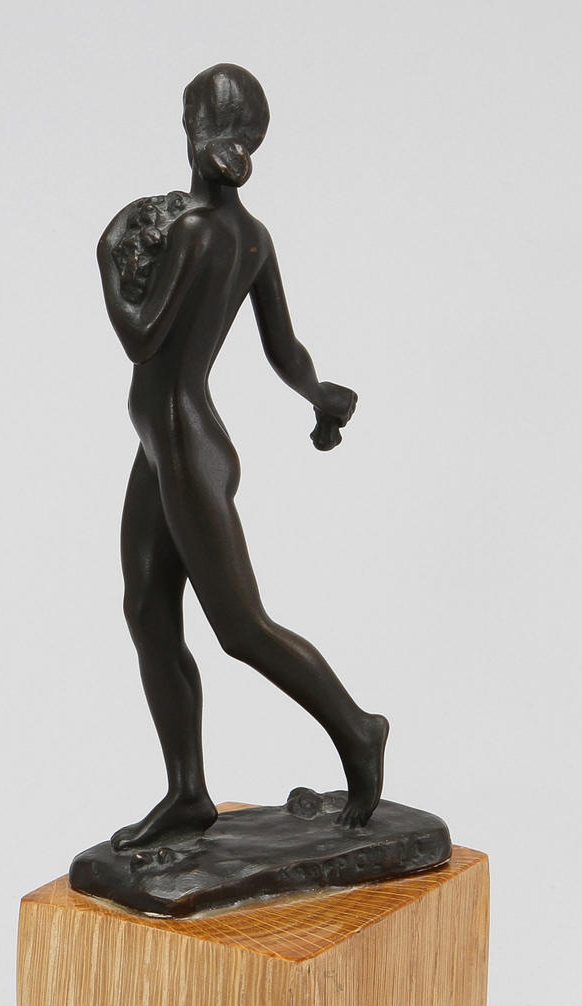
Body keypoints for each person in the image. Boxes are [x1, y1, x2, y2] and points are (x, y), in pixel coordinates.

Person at [96, 64, 388, 852]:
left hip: (183, 443)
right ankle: (188, 794)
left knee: (240, 627)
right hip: (165, 445)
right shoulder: (252, 236)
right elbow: (284, 350)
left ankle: (358, 730)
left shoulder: (193, 231)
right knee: (147, 611)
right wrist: (320, 396)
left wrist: (109, 254)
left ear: (192, 124)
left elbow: (141, 338)